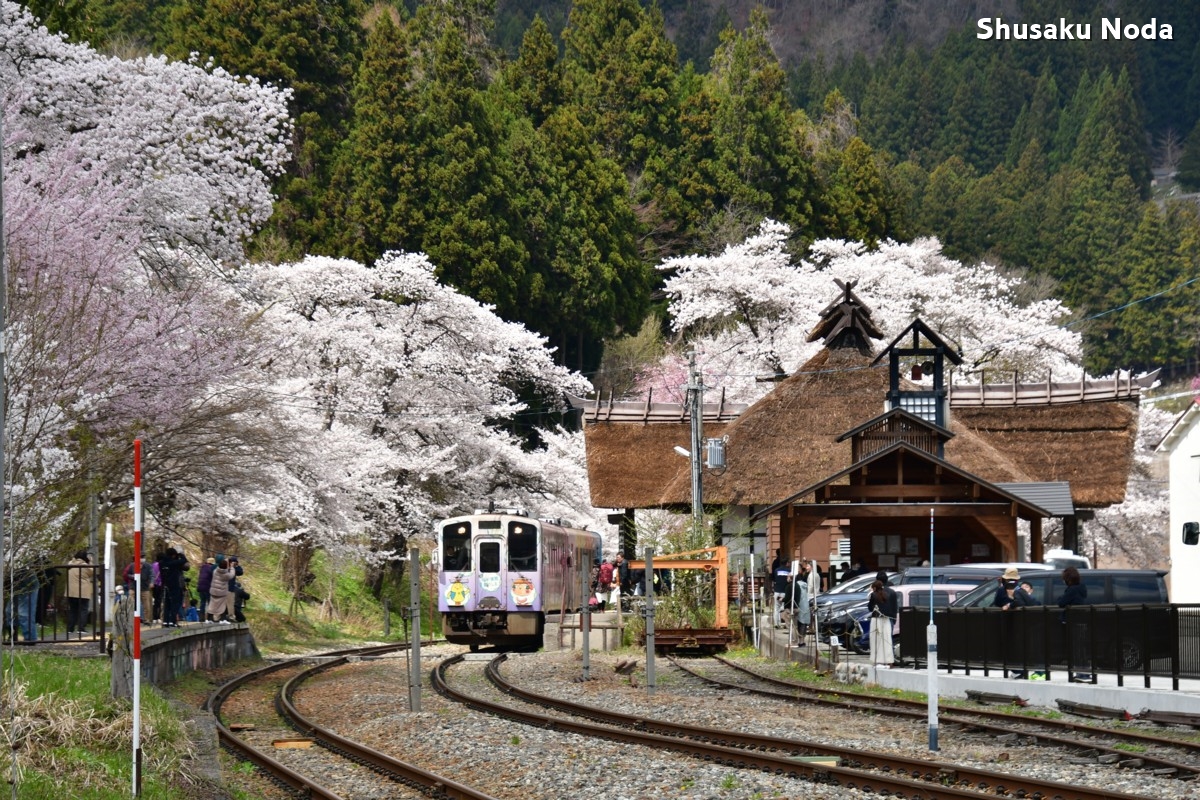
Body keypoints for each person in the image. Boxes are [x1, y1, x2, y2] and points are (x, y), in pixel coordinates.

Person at [1057, 566, 1092, 683]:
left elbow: (1062, 603)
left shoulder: (1072, 590)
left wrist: (1060, 598)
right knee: (1082, 647)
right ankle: (1085, 672)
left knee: (1076, 648)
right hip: (1083, 621)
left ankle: (1080, 673)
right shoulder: (1082, 588)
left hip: (1073, 621)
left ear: (1068, 579)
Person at [867, 571, 899, 669]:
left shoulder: (874, 594)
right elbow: (895, 607)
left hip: (877, 619)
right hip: (889, 619)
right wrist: (894, 619)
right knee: (888, 640)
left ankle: (877, 660)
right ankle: (889, 661)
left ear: (876, 580)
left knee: (876, 640)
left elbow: (870, 608)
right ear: (887, 580)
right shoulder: (892, 592)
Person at [157, 547, 190, 628]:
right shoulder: (174, 563)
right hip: (174, 585)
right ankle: (173, 621)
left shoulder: (161, 563)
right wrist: (181, 554)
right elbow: (184, 561)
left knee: (167, 603)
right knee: (175, 603)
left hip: (165, 584)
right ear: (173, 555)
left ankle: (166, 621)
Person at [66, 549, 93, 637]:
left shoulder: (70, 564)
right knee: (83, 609)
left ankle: (70, 628)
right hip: (83, 590)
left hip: (71, 590)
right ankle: (81, 628)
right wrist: (91, 561)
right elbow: (92, 572)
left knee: (73, 609)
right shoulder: (85, 565)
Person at [207, 557, 236, 623]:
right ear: (226, 567)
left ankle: (209, 618)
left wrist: (225, 562)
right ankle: (223, 619)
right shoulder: (226, 575)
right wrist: (231, 567)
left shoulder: (215, 571)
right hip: (221, 593)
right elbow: (232, 575)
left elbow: (222, 566)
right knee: (222, 606)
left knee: (212, 604)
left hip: (213, 591)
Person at [772, 560, 792, 628]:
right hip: (784, 592)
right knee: (784, 608)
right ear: (787, 563)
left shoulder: (776, 570)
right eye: (789, 562)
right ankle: (786, 623)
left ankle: (776, 623)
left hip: (777, 591)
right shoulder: (789, 571)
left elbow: (774, 579)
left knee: (776, 608)